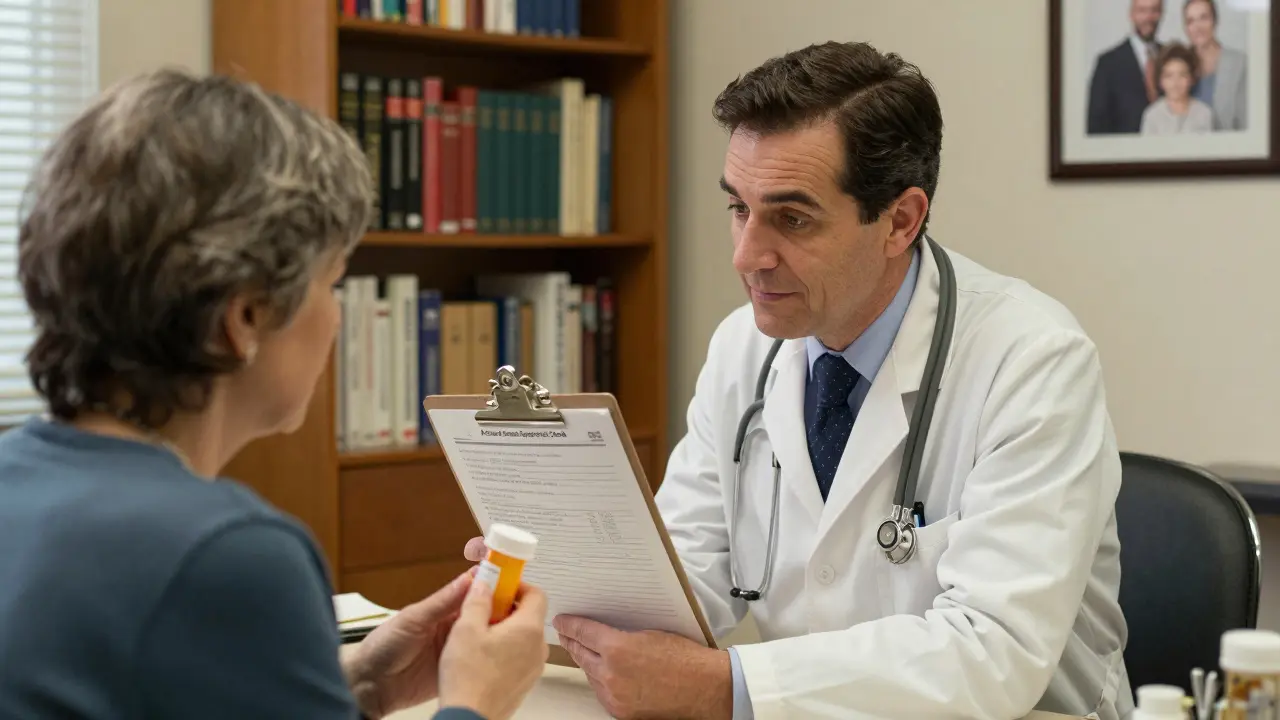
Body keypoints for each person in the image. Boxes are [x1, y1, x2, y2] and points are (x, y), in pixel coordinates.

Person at [469, 41, 1133, 719]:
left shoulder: (1032, 361)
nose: (747, 256)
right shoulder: (743, 351)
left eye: (792, 218)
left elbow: (992, 653)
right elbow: (684, 580)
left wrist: (722, 687)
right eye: (738, 208)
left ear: (900, 220)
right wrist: (557, 584)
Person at [0, 69, 549, 720]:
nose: (339, 318)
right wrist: (477, 704)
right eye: (333, 283)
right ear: (247, 317)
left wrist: (360, 688)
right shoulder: (229, 555)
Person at [1088, 0, 1165, 134]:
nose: (1149, 17)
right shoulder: (1107, 64)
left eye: (1154, 10)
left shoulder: (1170, 57)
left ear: (1161, 14)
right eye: (1142, 10)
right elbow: (1096, 127)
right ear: (1131, 14)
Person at [1184, 0, 1248, 131]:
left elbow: (1246, 122)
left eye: (1204, 18)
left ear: (1215, 20)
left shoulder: (1239, 63)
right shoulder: (1180, 65)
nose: (1197, 27)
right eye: (1191, 21)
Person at [1141, 43, 1215, 134]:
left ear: (1191, 78)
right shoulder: (1152, 115)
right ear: (1160, 80)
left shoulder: (1204, 113)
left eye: (1182, 75)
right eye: (1169, 76)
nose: (1175, 82)